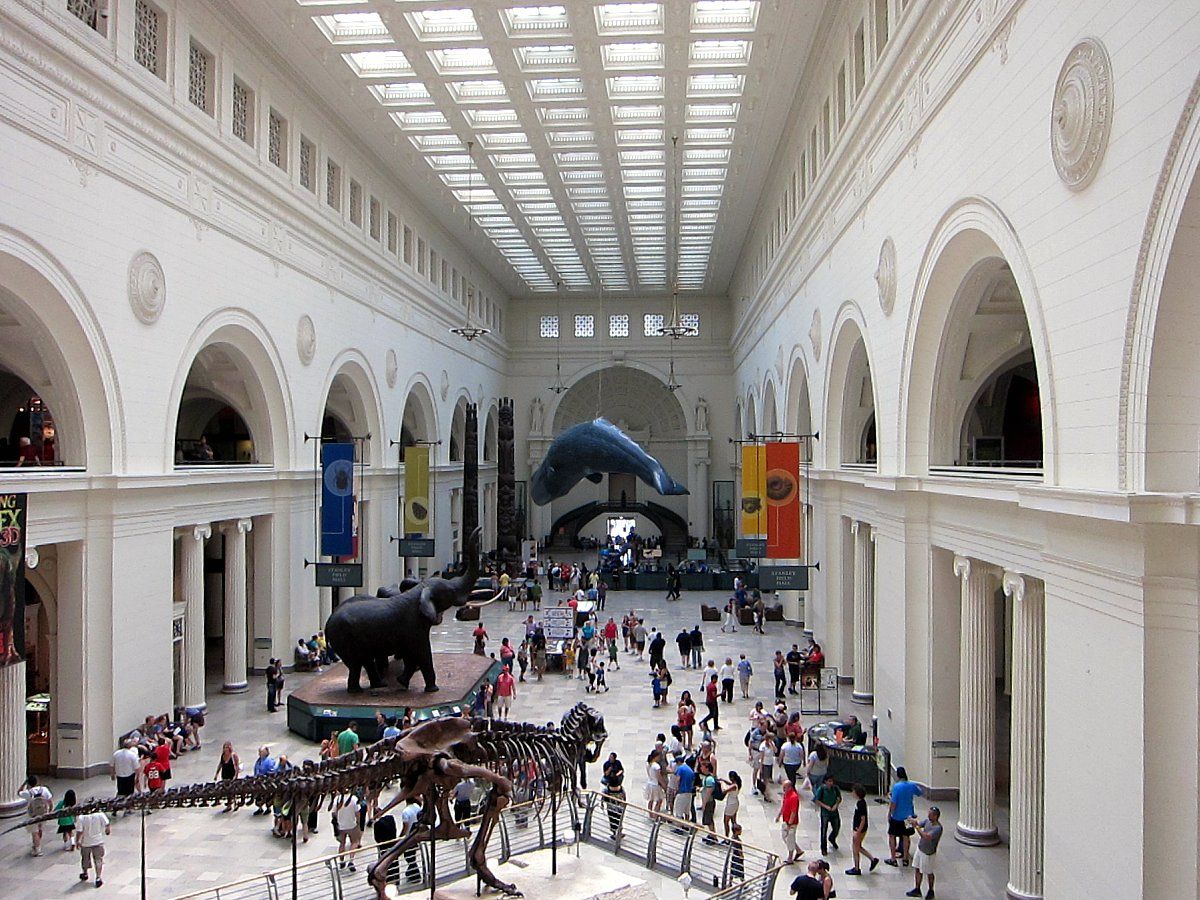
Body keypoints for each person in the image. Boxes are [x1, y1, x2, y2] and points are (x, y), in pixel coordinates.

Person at [886, 767, 923, 866]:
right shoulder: (911, 785)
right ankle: (905, 858)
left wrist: (890, 813)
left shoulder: (897, 787)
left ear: (898, 775)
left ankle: (893, 858)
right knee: (906, 836)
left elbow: (893, 803)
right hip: (908, 817)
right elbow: (920, 792)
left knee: (892, 835)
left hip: (897, 816)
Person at [906, 806, 943, 899]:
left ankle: (931, 890)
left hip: (928, 853)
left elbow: (926, 836)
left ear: (936, 816)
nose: (928, 815)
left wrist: (916, 827)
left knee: (929, 872)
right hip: (920, 848)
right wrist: (912, 821)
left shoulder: (937, 828)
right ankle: (917, 889)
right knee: (917, 868)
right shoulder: (927, 821)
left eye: (931, 814)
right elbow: (919, 823)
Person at [845, 783, 880, 875]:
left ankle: (857, 868)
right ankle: (872, 859)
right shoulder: (861, 802)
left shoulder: (861, 804)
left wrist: (858, 831)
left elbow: (863, 819)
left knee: (856, 848)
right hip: (859, 829)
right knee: (858, 847)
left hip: (859, 829)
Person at [75, 807, 111, 887]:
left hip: (86, 842)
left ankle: (85, 873)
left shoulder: (81, 817)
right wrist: (107, 830)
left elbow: (80, 831)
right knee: (98, 860)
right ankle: (98, 877)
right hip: (98, 841)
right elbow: (107, 823)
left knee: (85, 859)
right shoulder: (100, 814)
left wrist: (77, 841)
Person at [19, 776, 53, 856]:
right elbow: (50, 801)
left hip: (32, 815)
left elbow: (19, 792)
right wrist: (49, 811)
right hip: (43, 813)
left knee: (35, 832)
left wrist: (24, 784)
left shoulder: (28, 792)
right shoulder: (44, 789)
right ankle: (37, 844)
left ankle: (37, 849)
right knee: (40, 829)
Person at [775, 780, 803, 865]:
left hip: (791, 823)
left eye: (785, 787)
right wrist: (779, 815)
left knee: (790, 839)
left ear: (790, 787)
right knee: (785, 837)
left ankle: (790, 858)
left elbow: (793, 812)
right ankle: (798, 850)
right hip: (786, 820)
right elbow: (784, 806)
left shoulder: (794, 797)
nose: (783, 789)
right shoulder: (786, 795)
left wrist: (790, 824)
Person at [814, 773, 842, 855]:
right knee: (824, 831)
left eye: (832, 781)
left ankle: (832, 838)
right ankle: (823, 848)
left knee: (836, 828)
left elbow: (839, 798)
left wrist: (836, 805)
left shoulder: (835, 788)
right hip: (825, 813)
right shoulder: (821, 789)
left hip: (834, 812)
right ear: (825, 782)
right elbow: (817, 800)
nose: (831, 783)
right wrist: (826, 806)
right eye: (829, 781)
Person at [335, 793, 363, 872]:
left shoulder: (337, 799)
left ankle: (341, 861)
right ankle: (351, 860)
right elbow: (357, 812)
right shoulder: (354, 799)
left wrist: (337, 821)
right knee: (354, 842)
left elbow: (334, 812)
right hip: (351, 824)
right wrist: (358, 822)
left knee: (342, 843)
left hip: (341, 825)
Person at [111, 738, 140, 810]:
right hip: (130, 776)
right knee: (129, 793)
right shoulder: (132, 755)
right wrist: (137, 777)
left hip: (120, 776)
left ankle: (116, 807)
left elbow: (111, 765)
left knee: (120, 792)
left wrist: (112, 774)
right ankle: (128, 808)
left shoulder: (116, 754)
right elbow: (137, 768)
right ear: (130, 746)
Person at [252, 746, 277, 814]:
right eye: (259, 752)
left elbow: (272, 771)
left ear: (266, 752)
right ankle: (260, 808)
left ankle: (268, 808)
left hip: (266, 781)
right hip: (258, 781)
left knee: (267, 795)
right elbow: (256, 769)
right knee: (258, 795)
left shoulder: (269, 761)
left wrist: (266, 776)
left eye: (261, 752)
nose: (259, 753)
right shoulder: (258, 760)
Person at [672, 755, 696, 823]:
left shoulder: (680, 768)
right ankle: (686, 825)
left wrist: (676, 790)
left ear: (679, 762)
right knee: (687, 810)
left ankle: (679, 827)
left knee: (679, 810)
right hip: (689, 793)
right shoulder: (690, 770)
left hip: (682, 792)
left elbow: (678, 780)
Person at [644, 749, 666, 814]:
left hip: (650, 783)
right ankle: (656, 814)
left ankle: (650, 814)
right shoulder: (656, 766)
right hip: (656, 784)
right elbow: (659, 777)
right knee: (659, 800)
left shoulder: (648, 764)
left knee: (651, 800)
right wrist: (664, 785)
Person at [721, 771, 742, 836]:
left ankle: (726, 836)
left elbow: (724, 791)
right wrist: (723, 780)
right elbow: (730, 784)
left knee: (726, 821)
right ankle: (735, 835)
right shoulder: (737, 783)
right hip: (734, 803)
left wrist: (722, 783)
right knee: (733, 820)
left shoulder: (734, 786)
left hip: (731, 804)